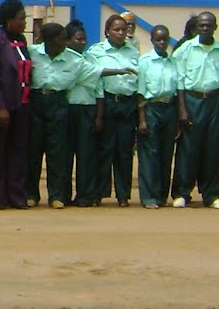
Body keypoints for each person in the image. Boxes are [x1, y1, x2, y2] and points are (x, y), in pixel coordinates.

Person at [171, 11, 219, 208]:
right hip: (192, 100)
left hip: (215, 100)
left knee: (213, 150)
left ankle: (211, 195)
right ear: (197, 27)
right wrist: (182, 110)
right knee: (188, 149)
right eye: (202, 25)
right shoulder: (186, 49)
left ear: (215, 27)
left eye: (209, 25)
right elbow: (179, 81)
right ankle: (182, 193)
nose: (205, 28)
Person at [27, 20, 82, 208]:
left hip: (58, 103)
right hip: (35, 102)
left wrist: (120, 71)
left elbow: (95, 71)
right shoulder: (32, 52)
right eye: (61, 40)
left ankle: (56, 196)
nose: (65, 43)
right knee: (33, 150)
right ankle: (31, 194)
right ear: (48, 41)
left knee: (57, 151)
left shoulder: (74, 59)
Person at [0, 0, 31, 210]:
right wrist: (0, 107)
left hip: (22, 104)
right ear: (8, 21)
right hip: (2, 107)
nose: (25, 22)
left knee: (19, 152)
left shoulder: (21, 40)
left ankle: (17, 195)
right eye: (21, 19)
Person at [88, 13, 139, 207]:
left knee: (125, 151)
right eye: (116, 30)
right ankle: (99, 193)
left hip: (127, 103)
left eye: (124, 30)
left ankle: (123, 194)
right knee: (104, 150)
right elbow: (95, 78)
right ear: (107, 31)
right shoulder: (97, 51)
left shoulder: (133, 51)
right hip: (107, 102)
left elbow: (137, 79)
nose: (120, 33)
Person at [134, 24, 177, 208]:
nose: (161, 42)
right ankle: (148, 196)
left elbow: (178, 90)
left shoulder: (174, 62)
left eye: (165, 39)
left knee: (166, 153)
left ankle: (161, 195)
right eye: (158, 39)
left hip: (169, 108)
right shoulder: (145, 62)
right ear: (152, 40)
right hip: (151, 108)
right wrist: (142, 119)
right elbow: (141, 92)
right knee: (150, 154)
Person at [64, 20, 103, 206]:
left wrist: (98, 115)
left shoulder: (91, 59)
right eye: (78, 39)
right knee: (65, 154)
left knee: (86, 154)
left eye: (84, 39)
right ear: (68, 40)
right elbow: (69, 81)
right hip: (67, 108)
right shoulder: (65, 57)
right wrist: (86, 78)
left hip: (88, 107)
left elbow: (99, 89)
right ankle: (63, 195)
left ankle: (85, 195)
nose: (82, 42)